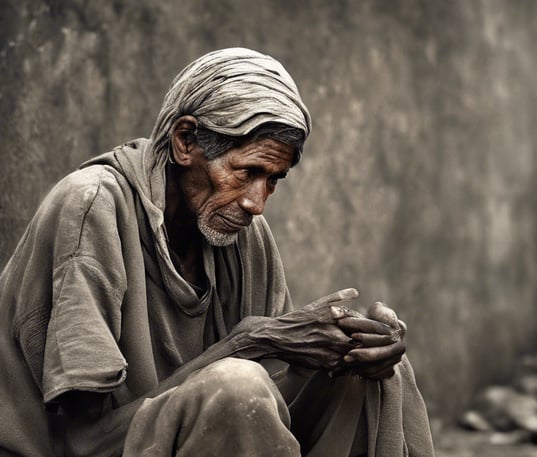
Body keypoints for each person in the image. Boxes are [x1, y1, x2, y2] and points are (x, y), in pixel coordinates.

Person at [0, 48, 434, 457]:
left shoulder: (245, 235)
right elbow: (82, 444)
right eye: (246, 172)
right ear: (185, 141)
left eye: (273, 180)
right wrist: (250, 341)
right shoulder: (92, 205)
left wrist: (349, 347)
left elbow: (272, 405)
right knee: (237, 387)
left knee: (373, 373)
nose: (255, 202)